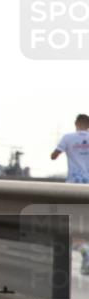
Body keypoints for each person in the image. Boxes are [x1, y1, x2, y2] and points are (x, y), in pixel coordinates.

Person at [50, 113, 89, 275]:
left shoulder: (68, 138)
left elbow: (53, 156)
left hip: (73, 186)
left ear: (76, 123)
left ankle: (85, 252)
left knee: (72, 225)